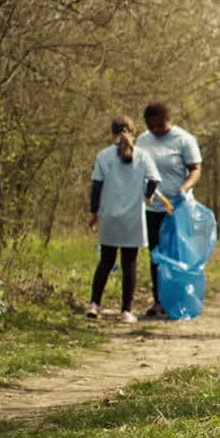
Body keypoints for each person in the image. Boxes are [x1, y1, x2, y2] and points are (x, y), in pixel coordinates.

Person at [88, 117, 160, 323]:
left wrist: (94, 213)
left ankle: (94, 304)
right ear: (133, 132)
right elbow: (154, 179)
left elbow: (96, 186)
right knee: (129, 263)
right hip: (133, 217)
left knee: (106, 261)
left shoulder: (103, 156)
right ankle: (126, 311)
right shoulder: (143, 155)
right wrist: (147, 196)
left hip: (109, 215)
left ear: (112, 133)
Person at [135, 102, 203, 318]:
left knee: (176, 255)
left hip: (177, 208)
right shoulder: (143, 141)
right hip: (152, 207)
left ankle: (179, 300)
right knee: (156, 255)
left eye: (159, 125)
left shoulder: (184, 139)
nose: (155, 130)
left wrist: (184, 188)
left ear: (169, 120)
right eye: (151, 126)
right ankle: (159, 301)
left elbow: (195, 170)